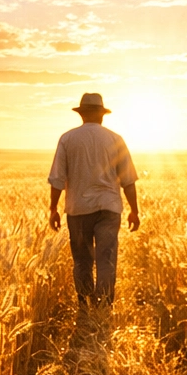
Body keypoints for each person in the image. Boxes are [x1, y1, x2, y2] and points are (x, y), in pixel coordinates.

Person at [47, 92, 139, 306]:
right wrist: (135, 210)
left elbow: (57, 179)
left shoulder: (67, 139)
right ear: (101, 115)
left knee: (82, 260)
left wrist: (53, 209)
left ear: (82, 114)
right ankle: (104, 306)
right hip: (109, 208)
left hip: (78, 209)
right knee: (106, 259)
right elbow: (128, 180)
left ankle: (85, 305)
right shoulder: (115, 139)